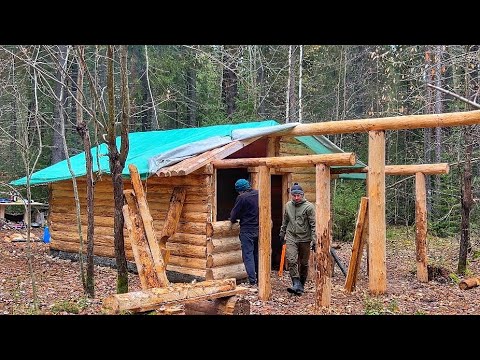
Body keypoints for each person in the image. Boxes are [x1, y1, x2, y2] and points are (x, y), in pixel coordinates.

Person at [279, 182, 316, 295]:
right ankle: (295, 282)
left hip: (305, 238)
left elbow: (313, 224)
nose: (296, 198)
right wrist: (282, 233)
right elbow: (285, 220)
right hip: (291, 236)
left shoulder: (309, 207)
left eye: (298, 195)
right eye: (294, 195)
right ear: (291, 195)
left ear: (302, 195)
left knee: (304, 263)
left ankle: (301, 285)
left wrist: (315, 240)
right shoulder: (288, 205)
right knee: (291, 260)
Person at [229, 178, 259, 285]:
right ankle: (260, 278)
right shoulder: (258, 194)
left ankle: (252, 281)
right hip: (259, 229)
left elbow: (234, 214)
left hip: (247, 230)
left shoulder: (241, 198)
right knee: (257, 254)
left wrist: (232, 220)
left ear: (240, 190)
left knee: (248, 255)